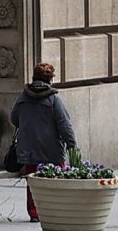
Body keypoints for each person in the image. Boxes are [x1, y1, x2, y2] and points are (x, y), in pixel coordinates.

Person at [9, 61, 76, 222]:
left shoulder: (23, 96)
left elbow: (14, 118)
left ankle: (34, 212)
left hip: (29, 148)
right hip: (51, 149)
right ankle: (53, 210)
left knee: (32, 181)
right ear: (50, 79)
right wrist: (72, 144)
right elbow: (64, 124)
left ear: (34, 77)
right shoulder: (53, 99)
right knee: (55, 180)